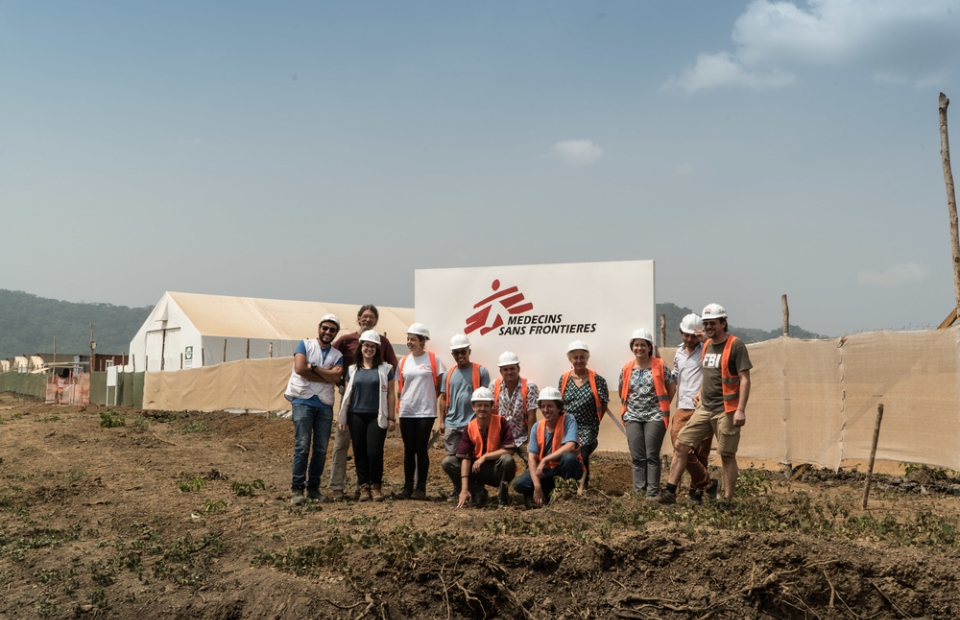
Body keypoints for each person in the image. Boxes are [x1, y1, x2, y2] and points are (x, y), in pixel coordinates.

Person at [660, 304, 752, 506]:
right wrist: (700, 392)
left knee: (727, 455)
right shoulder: (708, 346)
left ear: (723, 323)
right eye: (707, 323)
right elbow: (709, 375)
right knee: (681, 445)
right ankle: (669, 492)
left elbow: (745, 379)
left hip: (726, 410)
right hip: (704, 408)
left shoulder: (735, 345)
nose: (709, 326)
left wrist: (740, 410)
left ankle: (727, 500)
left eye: (713, 323)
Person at [328, 305, 399, 501]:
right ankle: (364, 487)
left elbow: (391, 394)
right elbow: (347, 396)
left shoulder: (385, 369)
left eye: (372, 346)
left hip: (377, 414)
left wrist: (392, 416)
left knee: (374, 451)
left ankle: (376, 486)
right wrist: (342, 417)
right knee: (358, 450)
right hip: (355, 414)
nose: (369, 348)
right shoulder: (352, 369)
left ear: (378, 348)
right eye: (365, 345)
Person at [284, 314, 344, 505]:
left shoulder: (338, 355)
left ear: (336, 333)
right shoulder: (304, 344)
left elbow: (336, 378)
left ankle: (313, 488)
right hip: (302, 401)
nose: (328, 332)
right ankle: (297, 488)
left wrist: (315, 369)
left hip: (324, 405)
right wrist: (326, 375)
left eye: (332, 330)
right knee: (302, 445)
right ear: (319, 328)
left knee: (320, 449)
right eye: (325, 328)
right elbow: (300, 368)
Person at [619, 328, 676, 498]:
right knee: (637, 457)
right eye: (636, 345)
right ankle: (639, 493)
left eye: (643, 345)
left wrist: (662, 406)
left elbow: (671, 386)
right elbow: (623, 388)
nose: (639, 348)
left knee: (652, 456)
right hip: (632, 416)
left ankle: (651, 494)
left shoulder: (659, 365)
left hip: (655, 416)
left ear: (649, 347)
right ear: (632, 347)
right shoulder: (627, 368)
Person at [441, 387, 516, 507]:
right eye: (479, 405)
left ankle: (502, 499)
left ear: (492, 406)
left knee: (507, 460)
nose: (482, 409)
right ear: (473, 407)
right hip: (477, 469)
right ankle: (477, 492)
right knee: (448, 462)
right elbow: (465, 458)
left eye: (486, 405)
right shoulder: (470, 427)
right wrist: (464, 488)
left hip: (496, 469)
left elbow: (510, 449)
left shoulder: (501, 422)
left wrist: (485, 457)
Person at [396, 323, 446, 500]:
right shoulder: (403, 361)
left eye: (413, 339)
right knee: (409, 449)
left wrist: (429, 398)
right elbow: (400, 386)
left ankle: (421, 487)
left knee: (421, 448)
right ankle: (407, 487)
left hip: (426, 411)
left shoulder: (433, 360)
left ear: (423, 341)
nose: (409, 342)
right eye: (408, 339)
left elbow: (441, 384)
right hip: (407, 410)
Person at [671, 313, 716, 503]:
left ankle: (695, 494)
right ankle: (708, 483)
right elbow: (675, 377)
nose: (689, 339)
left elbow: (712, 372)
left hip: (702, 407)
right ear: (681, 332)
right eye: (686, 335)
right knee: (679, 445)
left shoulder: (708, 350)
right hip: (682, 406)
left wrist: (706, 342)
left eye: (693, 335)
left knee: (700, 451)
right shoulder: (678, 353)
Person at [513, 387, 583, 507]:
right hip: (546, 471)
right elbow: (532, 458)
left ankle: (567, 495)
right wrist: (537, 487)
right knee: (519, 484)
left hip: (564, 468)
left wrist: (545, 459)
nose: (546, 410)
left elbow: (571, 446)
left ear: (559, 407)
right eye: (543, 406)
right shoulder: (537, 427)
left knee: (568, 458)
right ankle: (547, 493)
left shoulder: (569, 420)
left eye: (550, 406)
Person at [559, 340, 609, 492]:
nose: (579, 361)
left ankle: (583, 486)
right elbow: (560, 402)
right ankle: (568, 484)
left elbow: (604, 403)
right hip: (568, 425)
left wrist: (596, 421)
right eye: (575, 358)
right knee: (568, 454)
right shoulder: (564, 379)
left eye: (582, 357)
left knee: (584, 453)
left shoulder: (598, 380)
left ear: (587, 359)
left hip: (588, 424)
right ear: (570, 359)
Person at [439, 334, 491, 464]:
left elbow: (487, 399)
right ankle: (460, 484)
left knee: (473, 458)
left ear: (469, 351)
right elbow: (443, 398)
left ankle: (471, 483)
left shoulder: (481, 371)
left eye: (463, 352)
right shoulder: (448, 374)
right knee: (452, 460)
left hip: (473, 423)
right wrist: (441, 421)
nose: (460, 355)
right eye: (456, 353)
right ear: (452, 354)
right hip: (452, 424)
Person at [492, 351, 539, 462]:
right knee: (503, 461)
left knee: (534, 460)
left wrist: (530, 442)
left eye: (512, 368)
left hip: (522, 437)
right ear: (500, 371)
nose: (509, 372)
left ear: (518, 369)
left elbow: (532, 415)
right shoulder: (494, 385)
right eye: (505, 369)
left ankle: (529, 480)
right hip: (502, 438)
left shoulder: (529, 386)